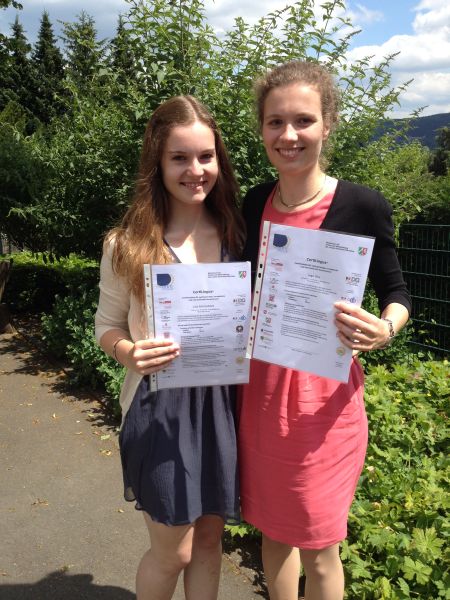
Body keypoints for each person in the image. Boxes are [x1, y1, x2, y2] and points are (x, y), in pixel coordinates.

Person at [238, 60, 411, 600]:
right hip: (260, 396)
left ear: (328, 123)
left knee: (319, 546)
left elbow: (398, 293)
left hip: (323, 406)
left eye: (303, 120)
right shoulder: (253, 202)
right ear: (262, 128)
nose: (288, 135)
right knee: (272, 531)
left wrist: (384, 329)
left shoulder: (362, 205)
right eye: (275, 122)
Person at [95, 95, 244, 600]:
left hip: (223, 406)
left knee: (209, 543)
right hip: (158, 407)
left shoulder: (237, 234)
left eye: (206, 156)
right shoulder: (126, 244)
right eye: (179, 157)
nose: (195, 170)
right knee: (172, 553)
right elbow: (106, 325)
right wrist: (128, 353)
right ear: (157, 163)